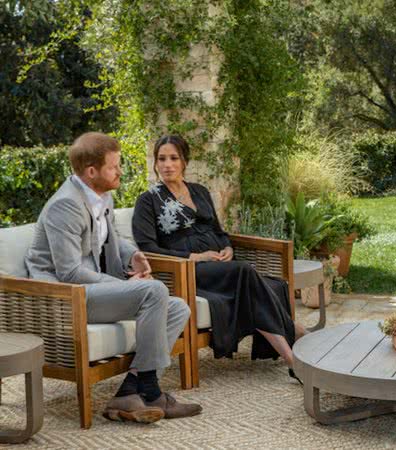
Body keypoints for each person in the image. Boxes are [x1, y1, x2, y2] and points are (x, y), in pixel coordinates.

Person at [25, 132, 202, 423]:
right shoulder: (65, 206)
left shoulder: (100, 194)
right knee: (154, 291)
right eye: (114, 166)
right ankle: (152, 391)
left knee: (178, 307)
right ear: (91, 171)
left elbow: (113, 237)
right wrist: (124, 285)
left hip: (87, 291)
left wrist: (133, 254)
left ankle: (129, 391)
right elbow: (69, 272)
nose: (120, 171)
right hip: (64, 298)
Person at [132, 135, 306, 383]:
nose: (167, 164)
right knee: (245, 272)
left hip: (220, 265)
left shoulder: (199, 192)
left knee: (254, 281)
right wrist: (194, 257)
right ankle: (296, 346)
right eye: (161, 159)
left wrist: (227, 247)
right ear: (155, 162)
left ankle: (294, 357)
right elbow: (148, 248)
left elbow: (218, 230)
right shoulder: (148, 200)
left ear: (184, 161)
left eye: (174, 158)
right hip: (188, 271)